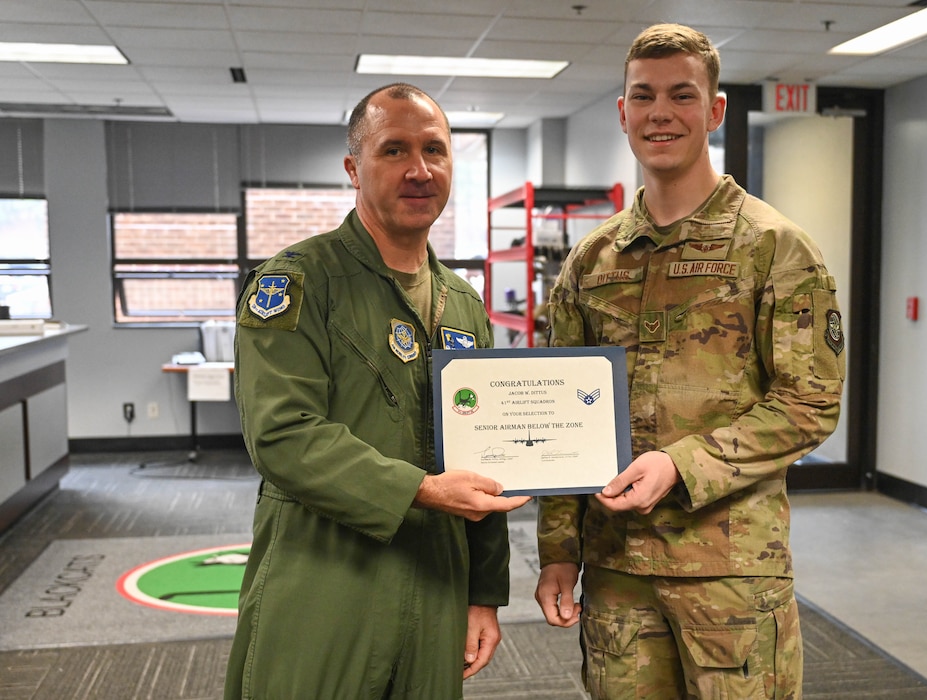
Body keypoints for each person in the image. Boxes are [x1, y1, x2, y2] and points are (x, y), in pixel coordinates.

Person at [534, 23, 845, 699]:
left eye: (682, 94)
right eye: (643, 96)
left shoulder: (774, 247)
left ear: (715, 110)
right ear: (623, 112)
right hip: (617, 569)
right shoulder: (591, 262)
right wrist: (558, 553)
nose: (661, 113)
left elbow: (811, 401)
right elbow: (560, 415)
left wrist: (682, 463)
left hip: (730, 571)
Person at [225, 83, 531, 700]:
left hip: (437, 580)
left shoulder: (464, 305)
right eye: (394, 150)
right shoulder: (298, 282)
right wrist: (419, 489)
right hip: (326, 576)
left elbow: (487, 455)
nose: (419, 170)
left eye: (434, 151)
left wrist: (484, 594)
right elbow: (282, 435)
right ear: (353, 168)